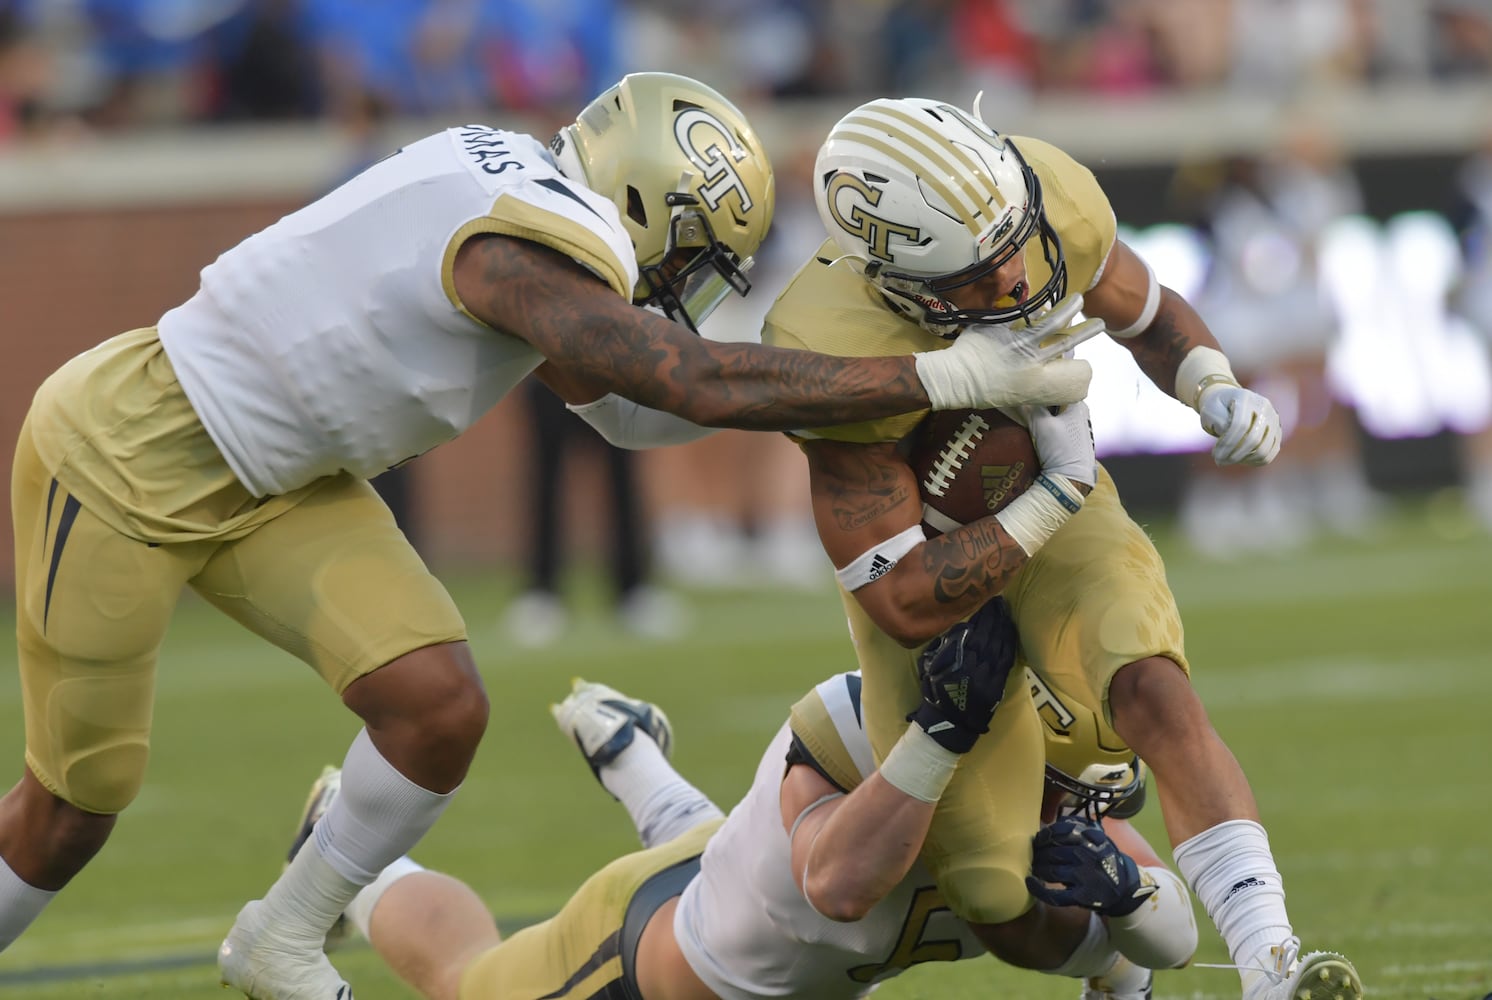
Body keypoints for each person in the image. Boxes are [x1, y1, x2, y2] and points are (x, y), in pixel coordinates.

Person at [0, 73, 1102, 1000]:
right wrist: (941, 373)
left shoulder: (521, 193)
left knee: (435, 706)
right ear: (645, 201)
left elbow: (631, 405)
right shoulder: (527, 240)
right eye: (686, 259)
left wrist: (852, 414)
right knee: (74, 806)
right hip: (130, 451)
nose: (676, 290)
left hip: (281, 481)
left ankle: (281, 935)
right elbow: (687, 378)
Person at [550, 95, 1358, 1000]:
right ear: (897, 282)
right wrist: (1051, 490)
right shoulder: (830, 341)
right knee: (993, 891)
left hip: (1063, 506)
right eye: (978, 277)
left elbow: (1143, 304)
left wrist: (1210, 382)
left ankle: (1270, 960)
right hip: (940, 564)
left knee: (1153, 687)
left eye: (1017, 244)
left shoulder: (1046, 194)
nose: (1016, 283)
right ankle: (1121, 957)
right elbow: (899, 596)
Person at [275, 598, 1197, 1000]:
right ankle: (351, 852)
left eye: (1095, 805)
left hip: (753, 915)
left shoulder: (1073, 825)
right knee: (468, 983)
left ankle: (629, 751)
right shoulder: (870, 731)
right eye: (1063, 800)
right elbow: (834, 883)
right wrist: (937, 737)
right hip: (646, 954)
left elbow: (1136, 956)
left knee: (737, 862)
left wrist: (1124, 899)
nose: (1077, 825)